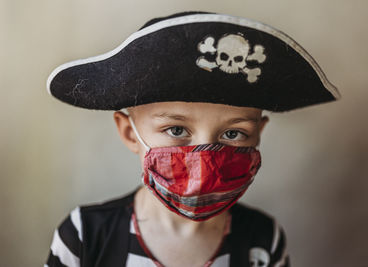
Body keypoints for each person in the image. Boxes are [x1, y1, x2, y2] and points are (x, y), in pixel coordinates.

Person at [45, 11, 339, 267]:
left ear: (258, 135)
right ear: (128, 133)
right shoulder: (84, 235)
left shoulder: (263, 240)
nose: (204, 161)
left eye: (233, 134)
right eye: (176, 130)